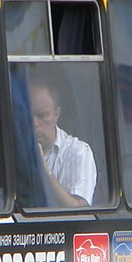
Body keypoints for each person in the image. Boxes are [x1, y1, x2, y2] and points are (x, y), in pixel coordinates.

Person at [30, 79, 96, 207]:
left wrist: (45, 172)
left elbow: (78, 210)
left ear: (57, 114)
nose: (34, 124)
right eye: (28, 116)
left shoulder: (78, 152)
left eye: (42, 116)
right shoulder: (11, 151)